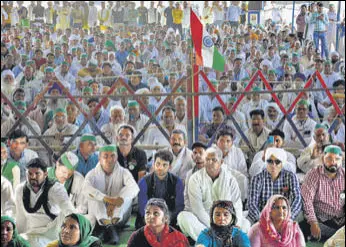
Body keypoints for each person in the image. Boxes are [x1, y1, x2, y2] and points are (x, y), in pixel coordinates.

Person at [177, 147, 248, 241]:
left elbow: (237, 204)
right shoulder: (195, 179)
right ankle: (213, 241)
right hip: (204, 224)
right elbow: (197, 209)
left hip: (226, 220)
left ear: (221, 162)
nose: (209, 162)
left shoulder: (230, 179)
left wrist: (236, 225)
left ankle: (216, 240)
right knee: (183, 217)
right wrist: (214, 227)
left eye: (214, 160)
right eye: (207, 159)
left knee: (246, 223)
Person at [83, 145, 139, 245]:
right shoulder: (92, 174)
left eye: (112, 156)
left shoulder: (124, 172)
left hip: (119, 216)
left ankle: (109, 227)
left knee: (127, 193)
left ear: (116, 157)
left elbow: (134, 188)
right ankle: (110, 229)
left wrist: (116, 201)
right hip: (99, 216)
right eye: (105, 156)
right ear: (99, 158)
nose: (109, 160)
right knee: (92, 195)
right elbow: (85, 189)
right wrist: (106, 199)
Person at [15, 158, 75, 247]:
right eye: (30, 174)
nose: (33, 177)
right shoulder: (20, 190)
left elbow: (69, 210)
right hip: (31, 232)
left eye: (37, 173)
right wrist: (18, 237)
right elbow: (21, 217)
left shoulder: (56, 188)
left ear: (45, 174)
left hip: (53, 232)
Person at [300, 145, 345, 241]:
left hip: (342, 222)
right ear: (322, 159)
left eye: (337, 159)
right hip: (321, 221)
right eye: (329, 158)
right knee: (301, 230)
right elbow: (306, 200)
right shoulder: (313, 174)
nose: (333, 162)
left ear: (342, 160)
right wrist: (313, 223)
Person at [247, 147, 302, 224]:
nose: (273, 165)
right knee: (247, 221)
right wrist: (262, 221)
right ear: (266, 162)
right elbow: (251, 204)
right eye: (270, 161)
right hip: (263, 216)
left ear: (282, 163)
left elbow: (297, 200)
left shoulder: (291, 176)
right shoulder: (257, 178)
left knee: (300, 215)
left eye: (277, 162)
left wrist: (287, 218)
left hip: (285, 215)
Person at [137, 149, 184, 229]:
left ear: (170, 167)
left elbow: (179, 206)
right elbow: (142, 207)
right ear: (153, 164)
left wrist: (166, 219)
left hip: (169, 220)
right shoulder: (143, 182)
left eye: (164, 165)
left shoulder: (177, 182)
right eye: (158, 164)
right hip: (148, 220)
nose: (160, 168)